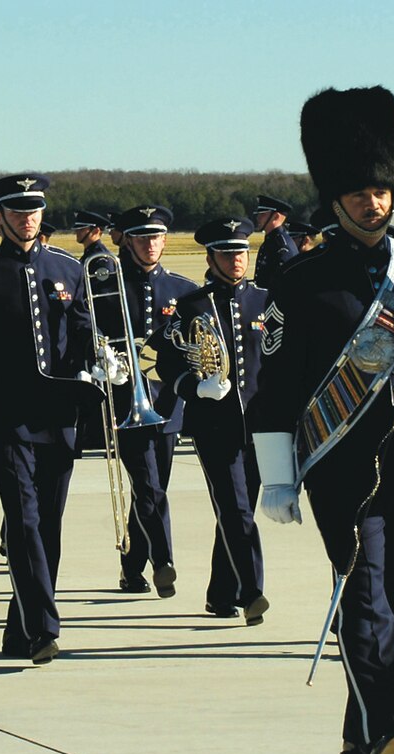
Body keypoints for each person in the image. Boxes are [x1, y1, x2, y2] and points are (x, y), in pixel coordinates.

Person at [251, 86, 394, 754]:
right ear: (335, 195)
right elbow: (276, 387)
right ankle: (391, 727)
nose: (371, 201)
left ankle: (360, 740)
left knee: (393, 604)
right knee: (362, 594)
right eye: (357, 190)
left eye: (381, 188)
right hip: (336, 458)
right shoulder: (301, 279)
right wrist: (277, 477)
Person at [0, 174, 101, 663]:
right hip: (5, 417)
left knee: (48, 526)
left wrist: (98, 361)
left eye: (34, 210)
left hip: (58, 416)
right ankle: (44, 628)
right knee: (25, 522)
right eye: (17, 211)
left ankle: (19, 628)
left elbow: (80, 335)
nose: (28, 218)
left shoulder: (69, 270)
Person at [153, 216, 270, 625]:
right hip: (213, 425)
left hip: (259, 426)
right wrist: (192, 387)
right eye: (227, 253)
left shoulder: (265, 301)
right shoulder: (191, 306)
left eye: (241, 251)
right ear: (210, 256)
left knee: (239, 512)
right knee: (235, 508)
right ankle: (252, 592)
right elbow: (162, 362)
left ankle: (221, 594)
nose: (236, 260)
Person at [97, 205, 197, 596]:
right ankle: (164, 559)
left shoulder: (184, 290)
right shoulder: (108, 286)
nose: (150, 245)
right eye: (142, 238)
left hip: (167, 404)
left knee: (152, 489)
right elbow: (87, 326)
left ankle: (131, 567)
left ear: (165, 241)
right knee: (148, 483)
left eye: (156, 237)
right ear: (128, 241)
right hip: (126, 401)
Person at [251, 194, 298, 290]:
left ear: (275, 217)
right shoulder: (270, 241)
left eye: (262, 214)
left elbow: (283, 286)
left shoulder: (282, 246)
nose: (258, 218)